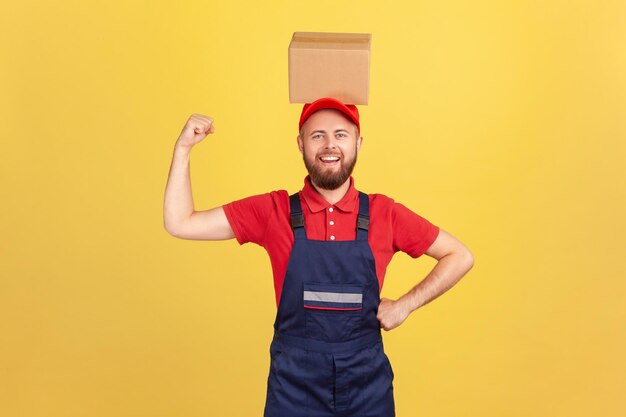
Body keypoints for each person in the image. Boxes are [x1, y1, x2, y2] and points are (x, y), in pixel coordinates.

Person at [163, 97, 474, 417]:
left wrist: (405, 305)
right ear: (300, 144)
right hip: (294, 387)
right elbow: (180, 222)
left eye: (341, 134)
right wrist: (183, 149)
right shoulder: (273, 211)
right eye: (317, 136)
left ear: (358, 143)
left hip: (367, 386)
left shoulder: (385, 213)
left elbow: (459, 255)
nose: (330, 145)